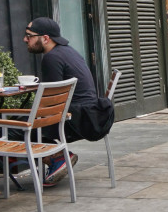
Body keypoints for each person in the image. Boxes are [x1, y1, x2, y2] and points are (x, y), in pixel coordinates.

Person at [24, 17, 110, 186]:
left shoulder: (51, 58)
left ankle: (58, 158)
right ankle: (56, 158)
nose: (25, 39)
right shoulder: (68, 51)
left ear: (46, 38)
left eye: (29, 35)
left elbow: (51, 101)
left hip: (76, 119)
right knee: (26, 123)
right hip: (90, 114)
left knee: (19, 128)